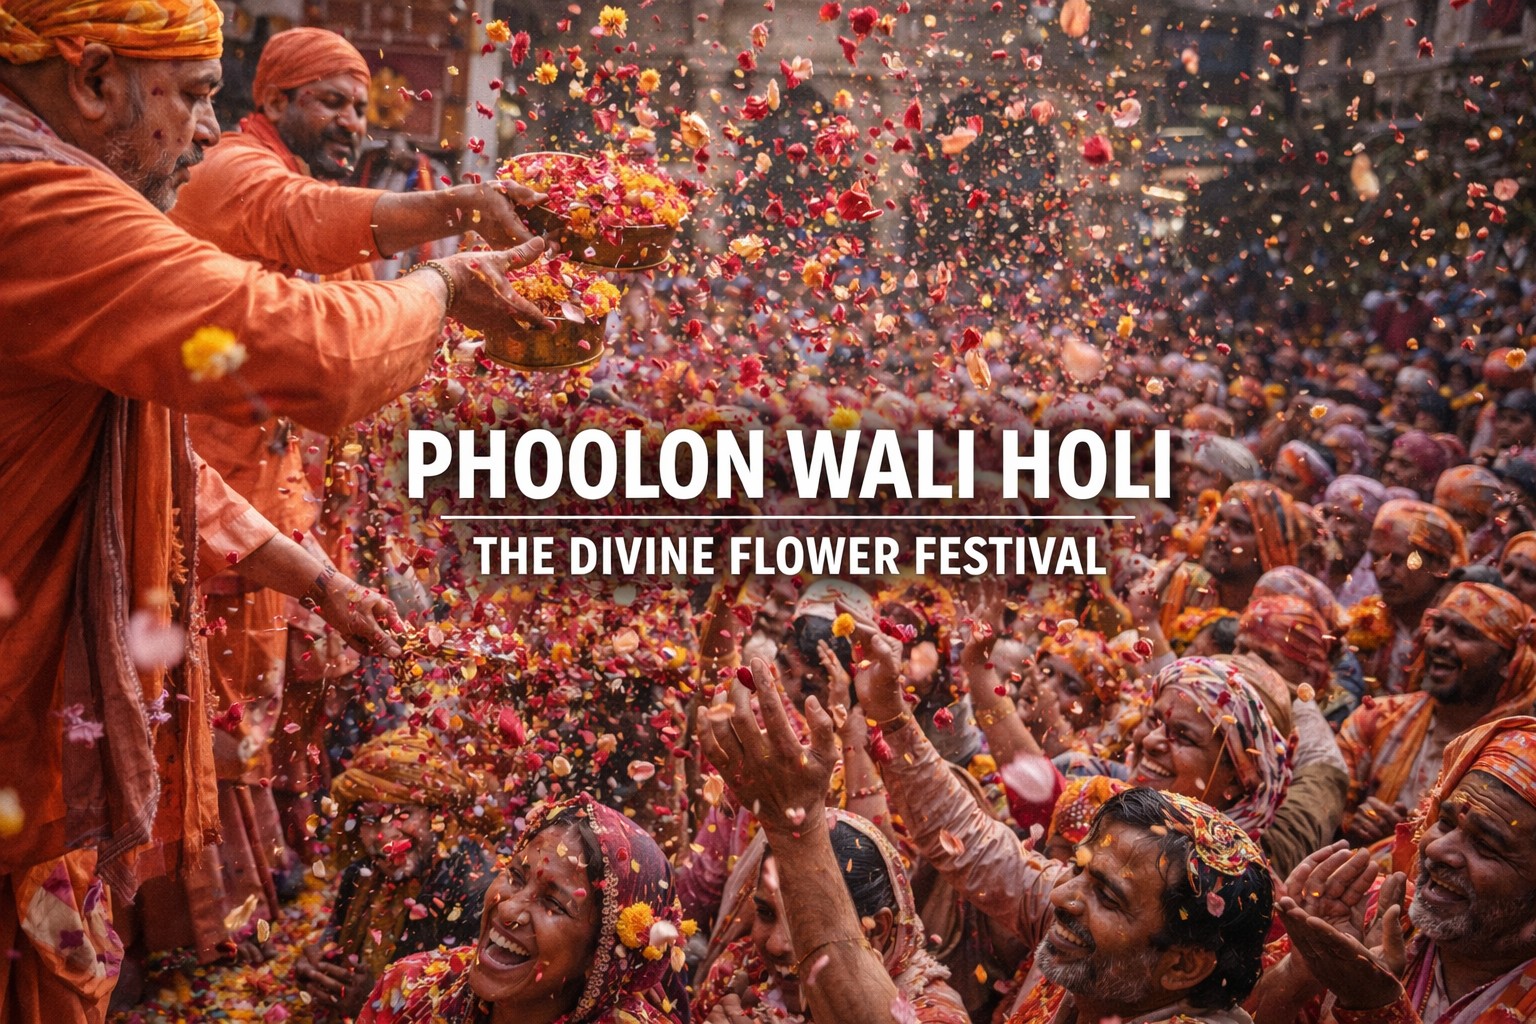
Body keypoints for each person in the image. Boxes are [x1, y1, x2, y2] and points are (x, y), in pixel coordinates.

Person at [0, 3, 550, 1016]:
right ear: (89, 84)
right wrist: (444, 287)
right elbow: (314, 349)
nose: (207, 130)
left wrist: (319, 578)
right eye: (197, 96)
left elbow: (170, 467)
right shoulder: (36, 201)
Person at [160, 25, 550, 957]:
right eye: (329, 100)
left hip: (282, 501)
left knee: (262, 711)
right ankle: (182, 938)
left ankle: (245, 909)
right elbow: (304, 222)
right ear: (277, 98)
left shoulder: (288, 182)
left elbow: (360, 346)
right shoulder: (230, 172)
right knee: (205, 713)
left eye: (356, 101)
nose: (348, 118)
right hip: (202, 493)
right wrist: (456, 219)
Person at [697, 647, 1275, 1024]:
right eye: (1079, 871)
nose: (1063, 898)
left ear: (1183, 969)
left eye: (1108, 897)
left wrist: (793, 827)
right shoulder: (1106, 949)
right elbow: (975, 842)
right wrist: (893, 719)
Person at [1266, 716, 1536, 1024]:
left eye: (1486, 845)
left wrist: (1375, 1008)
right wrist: (1303, 970)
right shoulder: (1366, 910)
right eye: (1445, 822)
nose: (1437, 849)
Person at [357, 795, 691, 1024]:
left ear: (601, 957)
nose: (509, 910)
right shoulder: (408, 990)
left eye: (554, 903)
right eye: (516, 876)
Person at [295, 727, 498, 1020]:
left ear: (437, 814)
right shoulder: (363, 871)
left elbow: (469, 1013)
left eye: (401, 814)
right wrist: (316, 966)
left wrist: (378, 1005)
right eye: (369, 819)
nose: (384, 837)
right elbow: (333, 940)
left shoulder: (473, 891)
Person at [694, 809, 967, 1024]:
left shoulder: (932, 1013)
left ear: (876, 930)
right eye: (766, 913)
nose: (776, 944)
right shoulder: (740, 969)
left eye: (807, 924)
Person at [1336, 582, 1536, 848]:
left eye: (1464, 633)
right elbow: (1325, 803)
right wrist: (1352, 825)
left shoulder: (1517, 759)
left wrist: (1411, 843)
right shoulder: (1376, 718)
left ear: (1507, 661)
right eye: (1438, 626)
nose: (1440, 642)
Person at [1357, 500, 1467, 694]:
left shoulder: (1461, 635)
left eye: (1398, 559)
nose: (1382, 572)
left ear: (1440, 564)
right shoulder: (1365, 621)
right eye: (1375, 557)